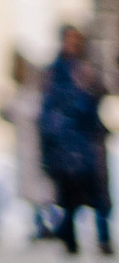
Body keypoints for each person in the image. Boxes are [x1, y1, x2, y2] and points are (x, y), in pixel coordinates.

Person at [42, 26, 113, 255]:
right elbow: (50, 109)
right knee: (69, 197)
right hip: (65, 145)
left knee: (99, 196)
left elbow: (100, 95)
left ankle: (104, 238)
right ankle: (70, 240)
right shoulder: (56, 72)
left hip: (89, 143)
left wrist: (90, 85)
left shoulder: (88, 69)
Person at [7, 50, 58, 240]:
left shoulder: (33, 95)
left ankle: (48, 224)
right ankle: (40, 224)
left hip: (36, 150)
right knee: (33, 191)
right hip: (26, 150)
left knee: (42, 190)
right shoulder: (23, 94)